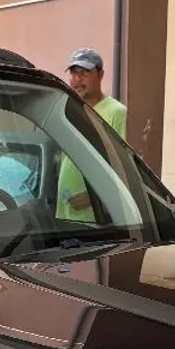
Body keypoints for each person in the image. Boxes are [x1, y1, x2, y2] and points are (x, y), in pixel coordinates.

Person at [56, 47, 126, 222]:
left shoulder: (116, 112)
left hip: (96, 218)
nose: (77, 79)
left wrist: (94, 197)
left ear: (100, 74)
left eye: (85, 73)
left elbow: (124, 167)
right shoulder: (68, 111)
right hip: (64, 214)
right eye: (74, 73)